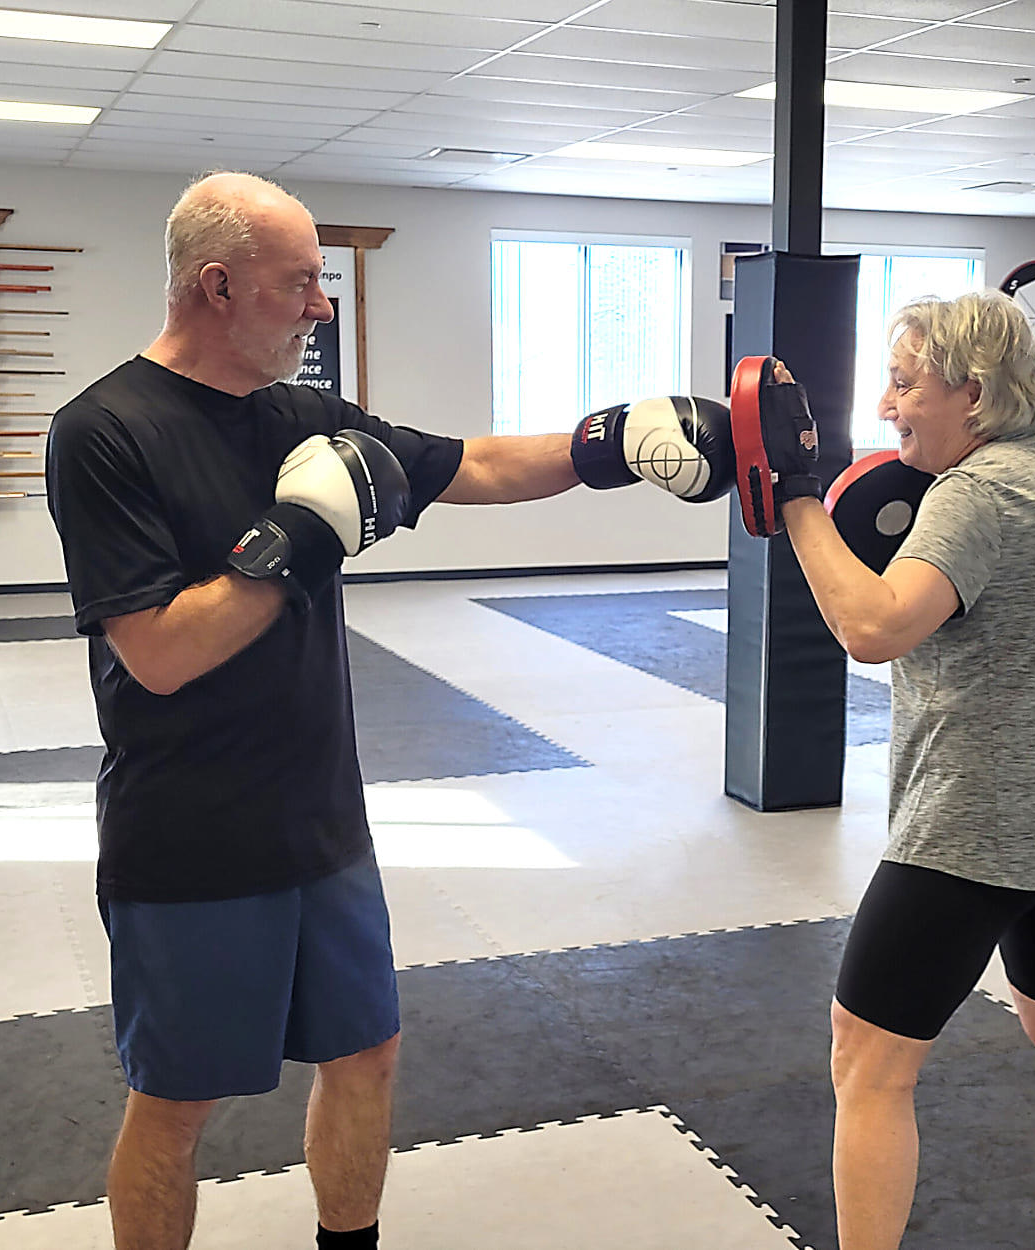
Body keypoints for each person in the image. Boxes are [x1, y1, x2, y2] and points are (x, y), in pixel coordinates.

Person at [45, 170, 735, 1250]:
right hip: (188, 837)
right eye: (300, 284)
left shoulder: (306, 417)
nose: (321, 306)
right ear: (216, 287)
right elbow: (160, 653)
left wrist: (612, 443)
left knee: (366, 1054)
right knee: (179, 1105)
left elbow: (476, 465)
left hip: (322, 817)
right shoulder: (105, 430)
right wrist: (295, 542)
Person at [742, 290, 1035, 1250]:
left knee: (868, 1065)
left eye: (903, 384)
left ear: (971, 394)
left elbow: (873, 627)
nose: (888, 405)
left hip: (976, 832)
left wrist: (795, 499)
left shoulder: (978, 495)